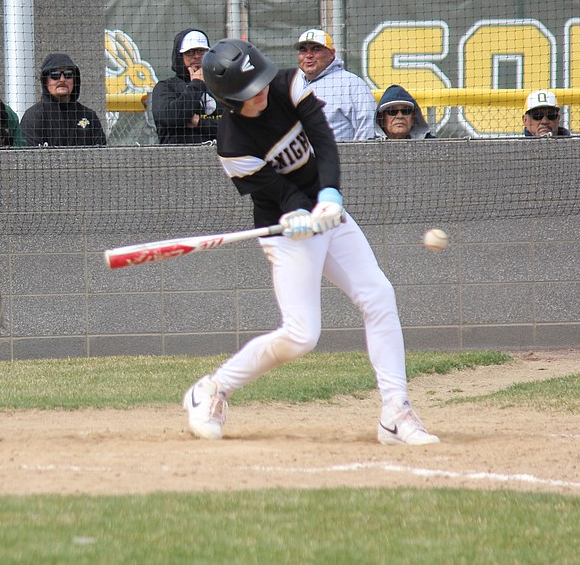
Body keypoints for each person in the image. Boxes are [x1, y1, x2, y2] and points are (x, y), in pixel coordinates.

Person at [182, 38, 439, 447]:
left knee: (379, 295)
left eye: (261, 81)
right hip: (287, 231)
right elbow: (277, 192)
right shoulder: (233, 146)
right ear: (230, 101)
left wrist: (330, 195)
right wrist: (296, 211)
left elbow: (323, 142)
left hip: (327, 210)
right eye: (250, 92)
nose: (262, 92)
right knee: (302, 335)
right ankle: (212, 389)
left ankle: (396, 411)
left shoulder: (290, 85)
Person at [291, 29, 378, 141]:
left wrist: (357, 157)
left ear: (331, 54)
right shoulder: (293, 85)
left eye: (316, 49)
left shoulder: (352, 83)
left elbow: (367, 129)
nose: (309, 55)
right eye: (303, 50)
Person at [19, 53, 107, 147]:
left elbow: (101, 155)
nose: (62, 80)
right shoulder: (33, 117)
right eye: (55, 75)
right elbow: (29, 158)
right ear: (45, 81)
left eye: (68, 75)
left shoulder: (89, 116)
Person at [151, 28, 221, 144]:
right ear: (180, 56)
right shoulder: (166, 87)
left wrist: (199, 122)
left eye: (201, 51)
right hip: (178, 159)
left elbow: (234, 129)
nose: (196, 56)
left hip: (220, 159)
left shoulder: (222, 87)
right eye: (190, 52)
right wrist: (197, 84)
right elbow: (172, 116)